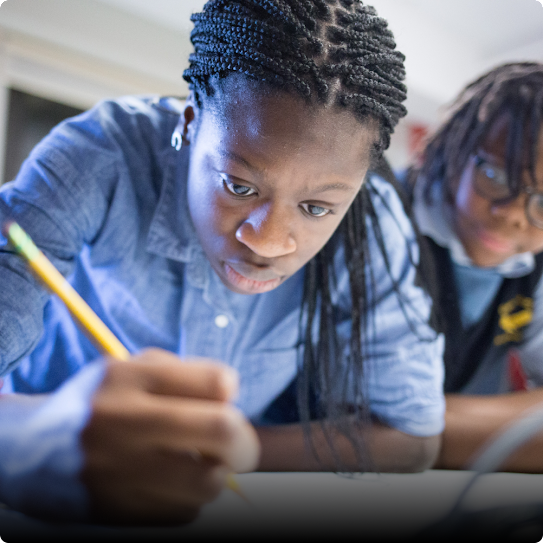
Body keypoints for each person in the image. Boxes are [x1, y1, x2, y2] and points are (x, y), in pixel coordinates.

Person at [0, 0, 444, 526]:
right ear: (190, 123)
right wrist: (29, 439)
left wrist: (224, 448)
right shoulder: (96, 157)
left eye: (317, 208)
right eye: (239, 185)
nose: (269, 242)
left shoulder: (373, 227)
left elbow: (413, 439)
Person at [404, 62, 543, 472]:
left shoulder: (535, 261)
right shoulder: (382, 213)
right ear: (455, 146)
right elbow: (353, 420)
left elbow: (396, 431)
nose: (512, 213)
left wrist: (414, 430)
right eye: (496, 175)